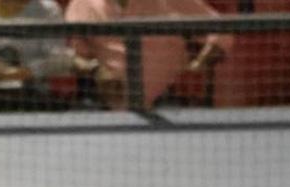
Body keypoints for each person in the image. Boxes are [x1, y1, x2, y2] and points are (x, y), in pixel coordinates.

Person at [65, 0, 231, 110]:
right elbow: (75, 56)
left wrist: (198, 64)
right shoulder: (83, 4)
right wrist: (94, 70)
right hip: (105, 104)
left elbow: (221, 30)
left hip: (168, 102)